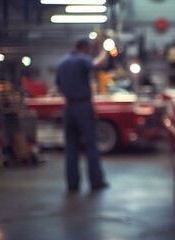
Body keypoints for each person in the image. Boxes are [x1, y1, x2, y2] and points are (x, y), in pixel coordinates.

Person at [56, 38, 109, 192]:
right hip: (83, 107)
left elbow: (59, 87)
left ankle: (72, 184)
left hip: (68, 107)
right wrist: (106, 50)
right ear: (84, 48)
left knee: (71, 147)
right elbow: (99, 64)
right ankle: (96, 182)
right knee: (91, 145)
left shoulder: (62, 62)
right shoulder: (82, 59)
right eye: (89, 49)